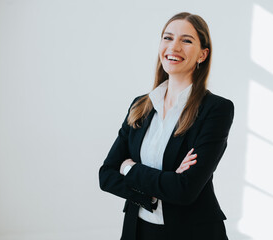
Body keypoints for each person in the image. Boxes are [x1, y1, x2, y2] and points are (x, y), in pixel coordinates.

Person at [99, 12, 234, 240]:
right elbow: (106, 175)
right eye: (168, 38)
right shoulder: (140, 105)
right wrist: (156, 190)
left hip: (191, 232)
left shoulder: (216, 110)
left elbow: (185, 190)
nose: (174, 47)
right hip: (138, 230)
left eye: (186, 40)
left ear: (203, 54)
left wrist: (129, 168)